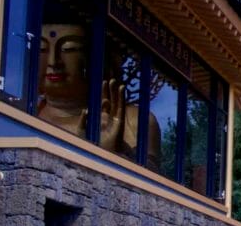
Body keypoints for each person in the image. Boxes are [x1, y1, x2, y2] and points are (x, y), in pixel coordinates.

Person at [37, 23, 160, 166]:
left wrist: (111, 155)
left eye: (69, 49)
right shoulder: (24, 112)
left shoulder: (133, 121)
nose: (53, 61)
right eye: (41, 49)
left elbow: (148, 180)